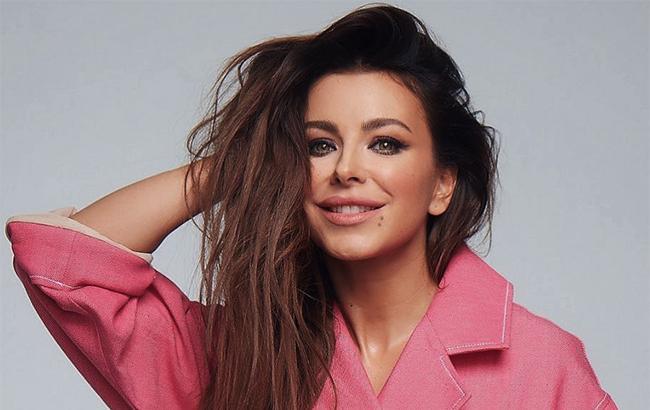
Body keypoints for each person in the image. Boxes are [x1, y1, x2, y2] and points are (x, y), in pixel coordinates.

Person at [4, 3, 617, 409]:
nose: (346, 168)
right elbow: (66, 266)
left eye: (385, 143)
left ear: (442, 184)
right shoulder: (234, 354)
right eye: (319, 145)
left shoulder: (541, 365)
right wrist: (244, 164)